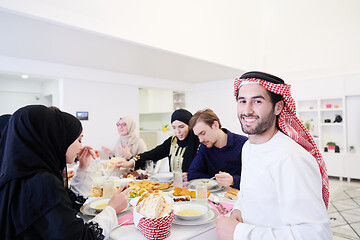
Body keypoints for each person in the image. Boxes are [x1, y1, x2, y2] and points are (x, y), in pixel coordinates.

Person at [215, 71, 332, 239]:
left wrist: (239, 232)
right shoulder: (248, 147)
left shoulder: (292, 158)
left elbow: (315, 234)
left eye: (257, 101)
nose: (247, 110)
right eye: (242, 101)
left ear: (278, 107)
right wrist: (238, 209)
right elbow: (248, 192)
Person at [0, 105, 130, 240]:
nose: (81, 146)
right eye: (78, 139)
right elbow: (82, 237)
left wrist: (83, 168)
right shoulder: (41, 181)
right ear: (56, 137)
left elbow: (64, 207)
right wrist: (112, 209)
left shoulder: (21, 175)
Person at [116, 109, 199, 181]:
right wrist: (132, 162)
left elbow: (206, 169)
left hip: (195, 188)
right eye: (174, 127)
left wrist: (192, 175)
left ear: (190, 126)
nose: (177, 131)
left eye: (181, 127)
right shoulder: (172, 141)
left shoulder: (199, 142)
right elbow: (152, 154)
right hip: (175, 187)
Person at [187, 109, 248, 189]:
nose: (201, 140)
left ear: (215, 125)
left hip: (239, 197)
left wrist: (233, 180)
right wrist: (216, 181)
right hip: (215, 198)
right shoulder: (204, 146)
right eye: (198, 136)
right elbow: (192, 175)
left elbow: (256, 180)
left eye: (203, 133)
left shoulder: (244, 144)